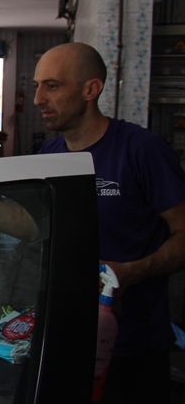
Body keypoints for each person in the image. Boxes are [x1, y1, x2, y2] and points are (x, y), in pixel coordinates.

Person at [33, 42, 185, 403]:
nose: (38, 98)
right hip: (65, 338)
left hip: (134, 345)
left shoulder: (141, 149)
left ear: (90, 89)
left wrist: (132, 272)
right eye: (37, 85)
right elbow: (33, 225)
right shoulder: (48, 156)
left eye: (52, 86)